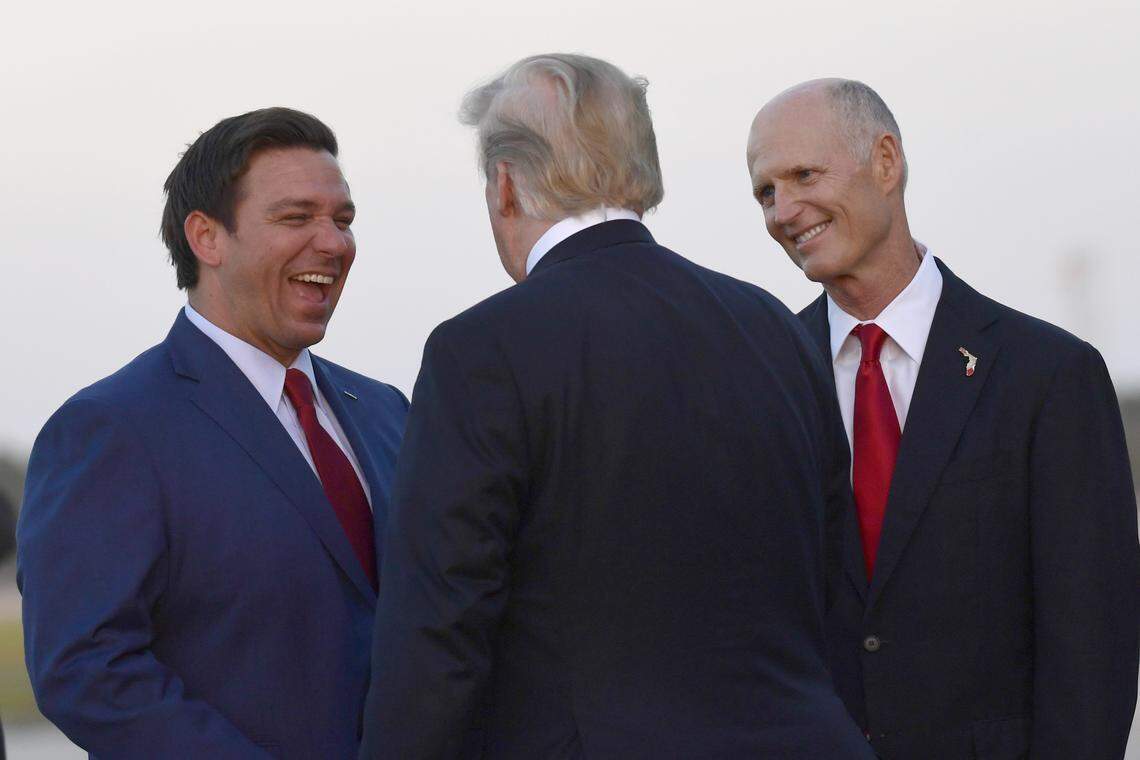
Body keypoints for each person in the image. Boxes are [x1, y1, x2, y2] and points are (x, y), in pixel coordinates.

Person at [359, 54, 874, 760]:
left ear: (504, 185)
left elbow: (438, 632)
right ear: (643, 169)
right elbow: (831, 584)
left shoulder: (482, 352)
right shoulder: (777, 331)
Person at [746, 79, 1140, 759]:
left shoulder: (1046, 376)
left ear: (887, 161)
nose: (785, 210)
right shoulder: (758, 382)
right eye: (765, 192)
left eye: (804, 175)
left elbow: (1093, 650)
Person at [17, 107, 408, 757]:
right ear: (207, 237)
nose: (334, 243)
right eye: (296, 217)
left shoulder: (384, 409)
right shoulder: (112, 428)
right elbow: (86, 671)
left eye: (342, 221)